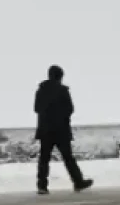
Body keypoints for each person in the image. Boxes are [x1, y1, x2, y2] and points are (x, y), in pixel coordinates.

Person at [34, 65, 93, 194]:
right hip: (61, 130)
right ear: (60, 76)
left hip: (45, 130)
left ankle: (42, 186)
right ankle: (78, 182)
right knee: (68, 158)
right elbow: (70, 109)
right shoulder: (63, 91)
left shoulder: (41, 91)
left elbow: (36, 108)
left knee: (44, 158)